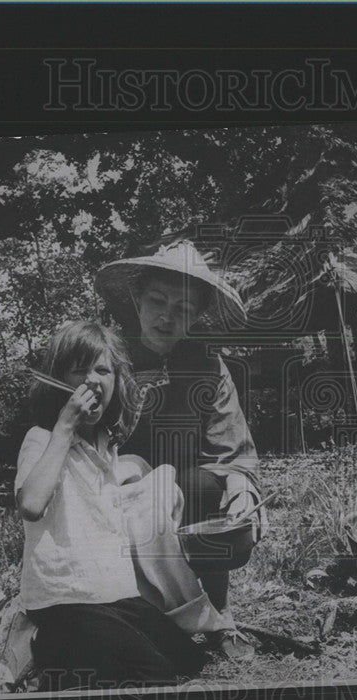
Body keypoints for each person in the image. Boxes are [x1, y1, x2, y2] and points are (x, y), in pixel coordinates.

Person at [15, 320, 229, 690]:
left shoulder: (108, 448)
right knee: (154, 676)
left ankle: (76, 655)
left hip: (112, 596)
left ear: (116, 380)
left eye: (102, 370)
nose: (92, 380)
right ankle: (46, 648)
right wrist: (65, 428)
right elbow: (31, 504)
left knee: (189, 660)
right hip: (65, 599)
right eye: (79, 369)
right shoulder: (42, 438)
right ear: (59, 378)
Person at [94, 241, 263, 659]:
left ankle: (220, 614)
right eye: (157, 300)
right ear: (137, 299)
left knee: (207, 486)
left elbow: (232, 447)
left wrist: (241, 487)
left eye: (184, 309)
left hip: (185, 496)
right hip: (113, 489)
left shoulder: (208, 366)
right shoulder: (106, 357)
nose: (167, 317)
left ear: (197, 316)